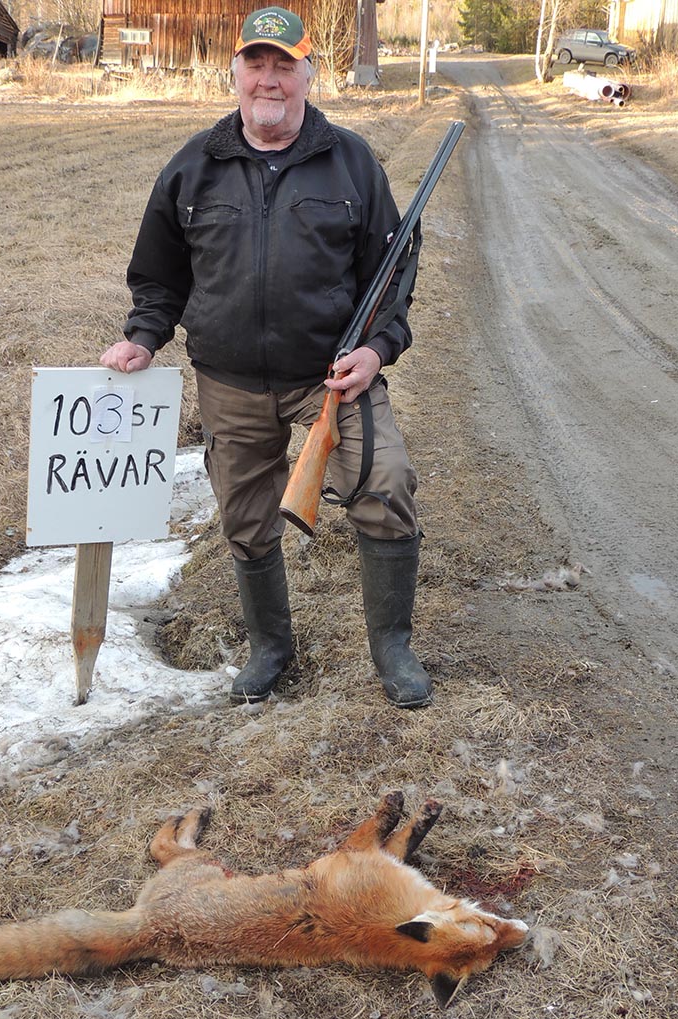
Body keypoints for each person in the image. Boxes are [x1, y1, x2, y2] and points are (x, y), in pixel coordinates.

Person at [100, 6, 431, 708]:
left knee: (386, 486)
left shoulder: (352, 162)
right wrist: (141, 335)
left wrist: (376, 350)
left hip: (332, 379)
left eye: (286, 64)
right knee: (245, 519)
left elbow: (393, 274)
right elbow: (160, 277)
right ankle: (271, 647)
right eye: (257, 63)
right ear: (235, 73)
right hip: (229, 382)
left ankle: (392, 648)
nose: (270, 80)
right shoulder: (192, 167)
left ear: (311, 73)